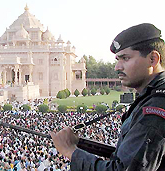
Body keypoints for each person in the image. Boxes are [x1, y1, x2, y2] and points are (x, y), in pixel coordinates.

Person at [50, 23, 165, 171]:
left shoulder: (156, 106)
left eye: (125, 58)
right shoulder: (151, 96)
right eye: (118, 59)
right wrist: (81, 144)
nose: (117, 67)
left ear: (153, 59)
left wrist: (70, 151)